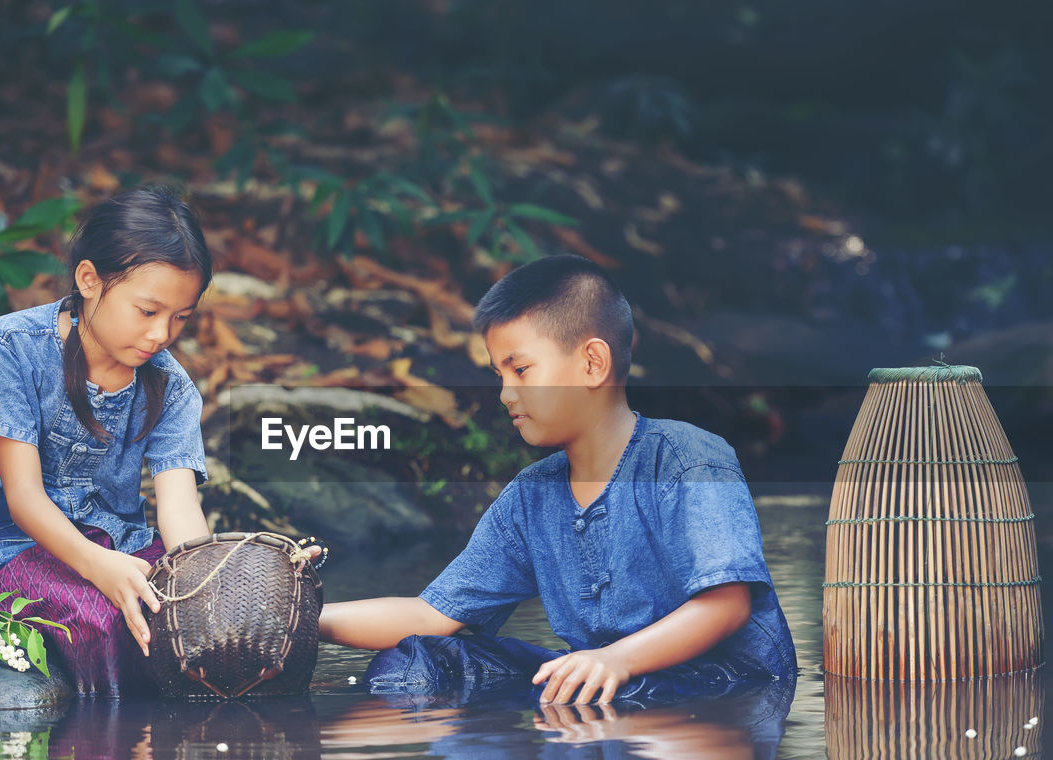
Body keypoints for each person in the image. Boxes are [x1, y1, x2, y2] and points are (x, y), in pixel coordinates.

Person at [319, 254, 796, 704]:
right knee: (421, 661)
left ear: (592, 363)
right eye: (499, 374)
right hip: (598, 678)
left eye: (521, 369)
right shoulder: (530, 498)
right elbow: (430, 616)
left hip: (719, 685)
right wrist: (302, 616)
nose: (506, 394)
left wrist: (617, 660)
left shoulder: (686, 458)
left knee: (596, 698)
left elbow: (727, 604)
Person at [0, 186, 215, 695]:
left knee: (181, 623)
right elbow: (23, 499)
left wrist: (201, 582)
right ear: (89, 280)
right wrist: (100, 568)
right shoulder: (10, 347)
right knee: (100, 620)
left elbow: (179, 508)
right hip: (3, 551)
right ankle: (107, 759)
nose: (161, 335)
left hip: (117, 545)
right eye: (147, 311)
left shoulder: (171, 388)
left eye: (180, 317)